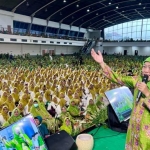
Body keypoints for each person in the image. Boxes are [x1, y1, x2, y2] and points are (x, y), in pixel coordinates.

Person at [91, 48, 150, 150]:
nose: (146, 70)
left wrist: (147, 93)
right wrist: (102, 63)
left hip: (146, 131)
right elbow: (117, 77)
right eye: (144, 66)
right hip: (133, 127)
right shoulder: (137, 80)